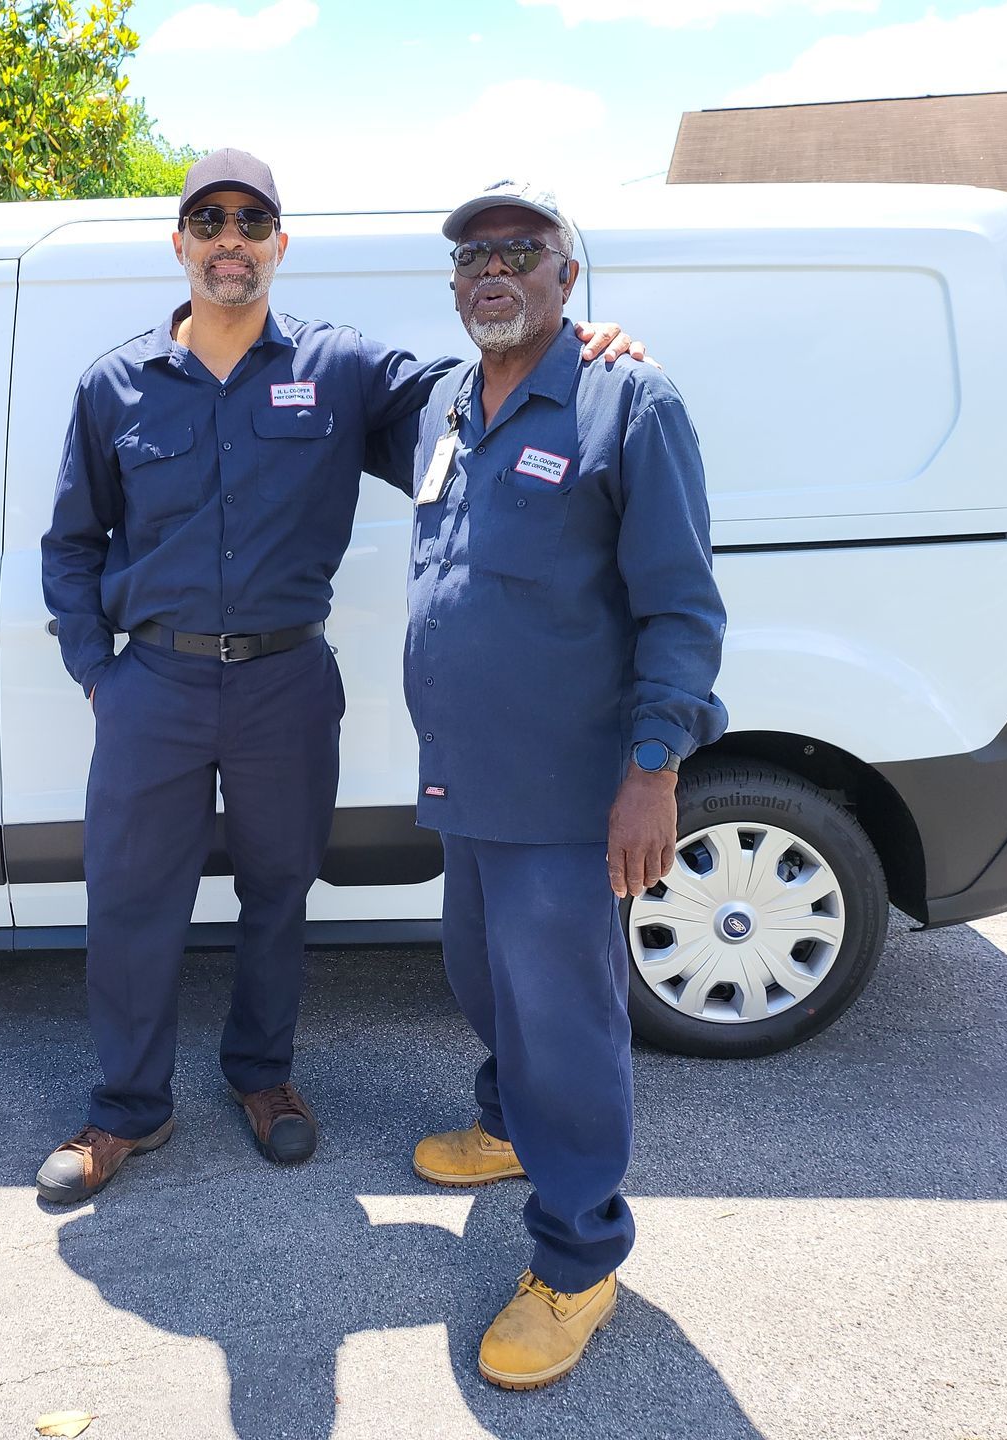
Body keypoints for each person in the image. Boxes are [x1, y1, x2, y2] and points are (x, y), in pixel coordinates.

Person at [36, 152, 647, 1205]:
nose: (231, 238)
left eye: (252, 221)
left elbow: (483, 394)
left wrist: (585, 348)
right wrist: (101, 674)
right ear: (180, 244)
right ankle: (127, 1108)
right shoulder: (115, 384)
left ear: (280, 243)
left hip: (286, 684)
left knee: (279, 889)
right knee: (132, 899)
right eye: (209, 220)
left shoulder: (342, 368)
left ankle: (264, 1077)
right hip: (155, 687)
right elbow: (71, 543)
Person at [403, 181, 727, 1389]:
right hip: (468, 779)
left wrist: (654, 771)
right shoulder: (447, 403)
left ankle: (581, 1258)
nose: (494, 268)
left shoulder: (625, 398)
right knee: (481, 977)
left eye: (521, 251)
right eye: (472, 254)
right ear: (453, 284)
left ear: (565, 276)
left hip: (572, 790)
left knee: (568, 1020)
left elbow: (682, 606)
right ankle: (509, 1126)